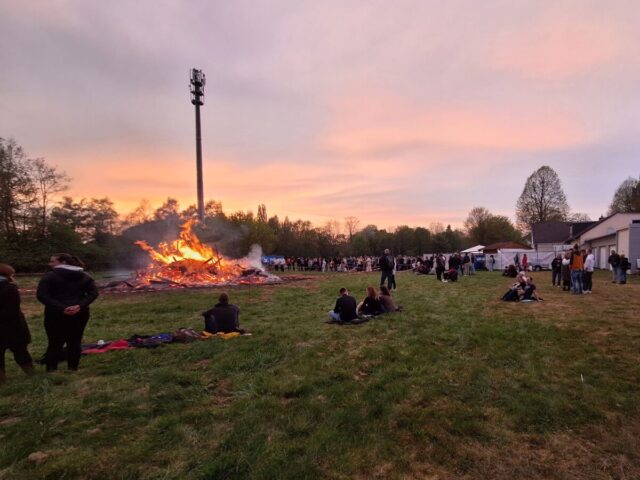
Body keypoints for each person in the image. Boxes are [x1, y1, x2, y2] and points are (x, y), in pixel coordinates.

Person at [36, 253, 99, 372]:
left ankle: (51, 369)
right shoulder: (85, 276)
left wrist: (62, 308)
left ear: (63, 262)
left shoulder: (49, 276)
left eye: (52, 261)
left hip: (55, 314)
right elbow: (93, 293)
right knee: (75, 341)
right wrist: (80, 306)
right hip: (80, 313)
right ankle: (73, 368)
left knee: (55, 342)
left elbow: (42, 295)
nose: (50, 264)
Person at [0, 264, 34, 384]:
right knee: (20, 351)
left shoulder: (9, 288)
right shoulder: (10, 288)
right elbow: (13, 310)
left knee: (19, 351)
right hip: (14, 326)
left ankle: (2, 381)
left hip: (10, 325)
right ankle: (31, 374)